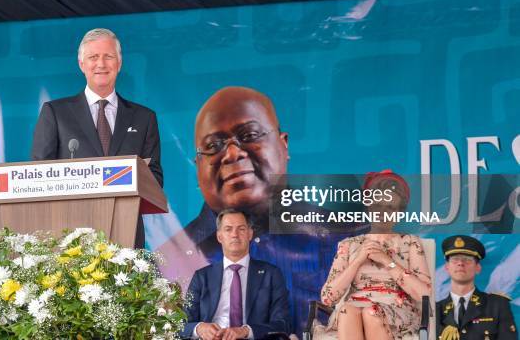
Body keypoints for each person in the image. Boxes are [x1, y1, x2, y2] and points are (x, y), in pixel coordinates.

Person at [158, 86, 348, 336]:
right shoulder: (166, 261)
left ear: (284, 145)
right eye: (213, 146)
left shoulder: (345, 238)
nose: (232, 154)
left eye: (249, 135)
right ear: (197, 167)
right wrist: (200, 329)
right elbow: (176, 326)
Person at [31, 28, 163, 248]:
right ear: (82, 64)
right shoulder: (55, 112)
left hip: (126, 235)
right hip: (70, 236)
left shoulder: (144, 118)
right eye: (93, 57)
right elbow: (39, 175)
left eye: (108, 56)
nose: (101, 64)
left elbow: (156, 179)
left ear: (119, 64)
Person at [319, 170, 432, 340]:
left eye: (390, 207)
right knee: (346, 310)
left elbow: (424, 293)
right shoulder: (349, 245)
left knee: (371, 313)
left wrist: (387, 261)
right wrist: (357, 261)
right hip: (353, 309)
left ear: (399, 213)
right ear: (369, 206)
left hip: (394, 312)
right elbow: (328, 298)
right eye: (378, 205)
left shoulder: (410, 242)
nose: (382, 212)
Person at [182, 209, 290, 340]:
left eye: (241, 229)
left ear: (250, 234)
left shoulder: (271, 274)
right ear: (219, 236)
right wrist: (199, 328)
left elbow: (282, 323)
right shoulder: (201, 277)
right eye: (228, 229)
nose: (235, 234)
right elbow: (182, 324)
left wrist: (245, 331)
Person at [436, 235, 516, 340]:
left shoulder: (498, 305)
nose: (460, 263)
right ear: (447, 267)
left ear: (478, 268)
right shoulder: (435, 310)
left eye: (467, 260)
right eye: (455, 260)